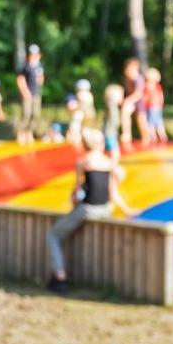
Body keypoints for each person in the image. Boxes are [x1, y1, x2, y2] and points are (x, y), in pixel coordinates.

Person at [45, 127, 132, 294]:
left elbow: (76, 193)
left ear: (84, 145)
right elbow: (114, 192)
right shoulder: (108, 163)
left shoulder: (83, 162)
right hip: (105, 208)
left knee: (53, 236)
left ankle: (60, 276)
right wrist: (127, 210)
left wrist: (73, 206)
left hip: (88, 209)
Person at [16, 44, 45, 145]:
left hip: (36, 94)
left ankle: (29, 133)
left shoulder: (39, 66)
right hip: (27, 94)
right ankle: (21, 134)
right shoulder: (25, 66)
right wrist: (25, 91)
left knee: (36, 114)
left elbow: (41, 78)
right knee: (26, 114)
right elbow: (20, 79)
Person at [119, 58, 146, 144]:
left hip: (139, 102)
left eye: (129, 68)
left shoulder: (139, 79)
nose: (126, 71)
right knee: (125, 112)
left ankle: (146, 138)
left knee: (141, 121)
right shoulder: (127, 79)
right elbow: (125, 92)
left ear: (135, 69)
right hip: (131, 101)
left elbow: (138, 94)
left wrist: (128, 100)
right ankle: (126, 134)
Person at [64, 79, 95, 145]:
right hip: (90, 117)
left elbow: (80, 107)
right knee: (86, 131)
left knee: (74, 130)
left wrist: (74, 106)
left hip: (81, 116)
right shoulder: (90, 95)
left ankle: (73, 142)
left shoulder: (81, 94)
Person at [143, 67, 168, 145]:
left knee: (151, 123)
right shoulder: (158, 86)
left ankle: (153, 137)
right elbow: (161, 97)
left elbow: (146, 97)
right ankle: (162, 136)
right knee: (158, 122)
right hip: (157, 107)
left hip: (152, 107)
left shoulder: (149, 86)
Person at [102, 83, 125, 158]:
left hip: (111, 133)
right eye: (120, 95)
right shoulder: (111, 106)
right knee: (115, 153)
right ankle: (113, 166)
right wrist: (111, 98)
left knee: (110, 152)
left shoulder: (114, 107)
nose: (122, 97)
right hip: (109, 134)